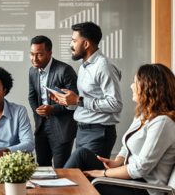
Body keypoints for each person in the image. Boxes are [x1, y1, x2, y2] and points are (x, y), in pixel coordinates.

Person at [64, 64, 175, 195]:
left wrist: (104, 173)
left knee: (86, 182)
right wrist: (116, 162)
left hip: (143, 188)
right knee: (82, 154)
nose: (131, 86)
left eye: (135, 82)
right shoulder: (145, 115)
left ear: (148, 87)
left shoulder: (162, 123)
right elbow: (126, 146)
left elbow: (140, 168)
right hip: (132, 179)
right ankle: (55, 187)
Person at [51, 22, 122, 159]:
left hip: (98, 133)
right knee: (80, 177)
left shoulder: (104, 67)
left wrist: (78, 100)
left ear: (86, 44)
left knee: (85, 177)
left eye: (74, 41)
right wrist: (68, 101)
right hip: (82, 131)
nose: (71, 45)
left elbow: (115, 104)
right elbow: (84, 101)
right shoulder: (85, 66)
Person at [28, 35, 78, 168]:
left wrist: (53, 109)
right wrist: (37, 113)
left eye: (39, 55)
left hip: (61, 127)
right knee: (41, 167)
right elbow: (32, 97)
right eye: (32, 54)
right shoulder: (32, 71)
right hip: (41, 126)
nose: (34, 58)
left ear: (49, 54)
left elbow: (74, 100)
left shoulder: (65, 70)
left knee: (60, 169)